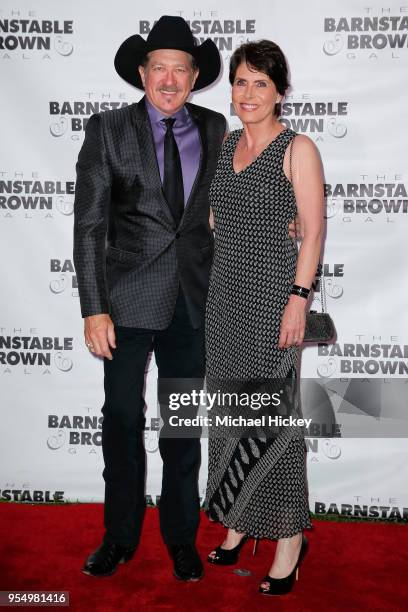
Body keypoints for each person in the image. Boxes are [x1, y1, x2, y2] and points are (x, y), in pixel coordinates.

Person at [73, 15, 226, 581]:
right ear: (142, 73)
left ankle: (181, 538)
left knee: (182, 430)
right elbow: (88, 226)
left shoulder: (215, 131)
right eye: (158, 67)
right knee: (120, 421)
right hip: (126, 306)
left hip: (192, 306)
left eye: (179, 69)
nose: (168, 78)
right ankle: (119, 536)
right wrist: (94, 307)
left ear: (194, 77)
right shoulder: (107, 130)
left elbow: (225, 213)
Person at [204, 39, 324, 596]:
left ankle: (289, 543)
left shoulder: (297, 148)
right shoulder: (225, 144)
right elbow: (215, 220)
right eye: (240, 81)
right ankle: (235, 523)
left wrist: (299, 297)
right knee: (229, 419)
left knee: (274, 426)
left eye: (260, 82)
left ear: (280, 91)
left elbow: (314, 232)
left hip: (274, 305)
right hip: (225, 303)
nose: (248, 92)